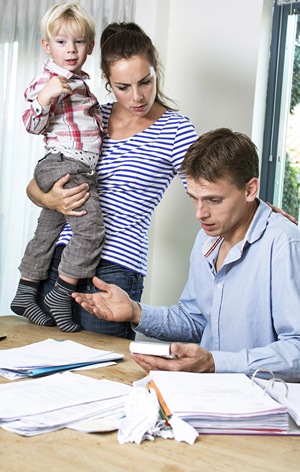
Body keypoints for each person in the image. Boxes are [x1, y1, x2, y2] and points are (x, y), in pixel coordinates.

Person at [72, 128, 300, 381]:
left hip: (264, 400)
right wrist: (136, 312)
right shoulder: (208, 236)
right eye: (194, 198)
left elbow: (297, 350)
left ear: (250, 190)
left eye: (213, 200)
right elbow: (196, 320)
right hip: (208, 392)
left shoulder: (284, 243)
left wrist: (214, 362)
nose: (200, 214)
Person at [25, 21, 198, 339]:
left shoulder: (176, 130)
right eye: (123, 87)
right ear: (107, 81)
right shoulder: (91, 117)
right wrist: (50, 199)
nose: (137, 96)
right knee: (41, 370)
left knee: (102, 374)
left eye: (146, 82)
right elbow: (36, 184)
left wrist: (258, 210)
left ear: (155, 71)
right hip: (60, 259)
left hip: (115, 270)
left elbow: (210, 188)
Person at [11, 2, 105, 332]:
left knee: (48, 229)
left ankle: (25, 291)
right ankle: (60, 294)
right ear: (47, 45)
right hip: (64, 164)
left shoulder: (80, 83)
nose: (71, 49)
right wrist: (45, 97)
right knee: (91, 229)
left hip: (69, 166)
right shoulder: (50, 80)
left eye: (79, 42)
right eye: (62, 42)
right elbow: (32, 124)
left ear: (90, 46)